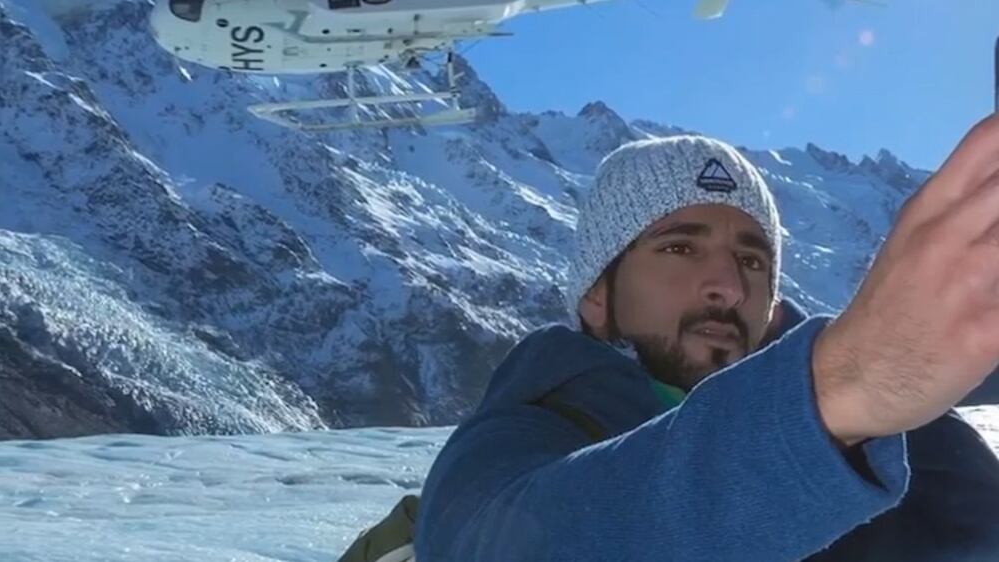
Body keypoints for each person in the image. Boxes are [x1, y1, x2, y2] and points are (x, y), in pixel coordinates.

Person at [413, 118, 999, 561]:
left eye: (752, 260)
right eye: (679, 248)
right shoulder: (531, 422)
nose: (726, 285)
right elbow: (503, 543)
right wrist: (837, 392)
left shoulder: (891, 431)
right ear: (597, 294)